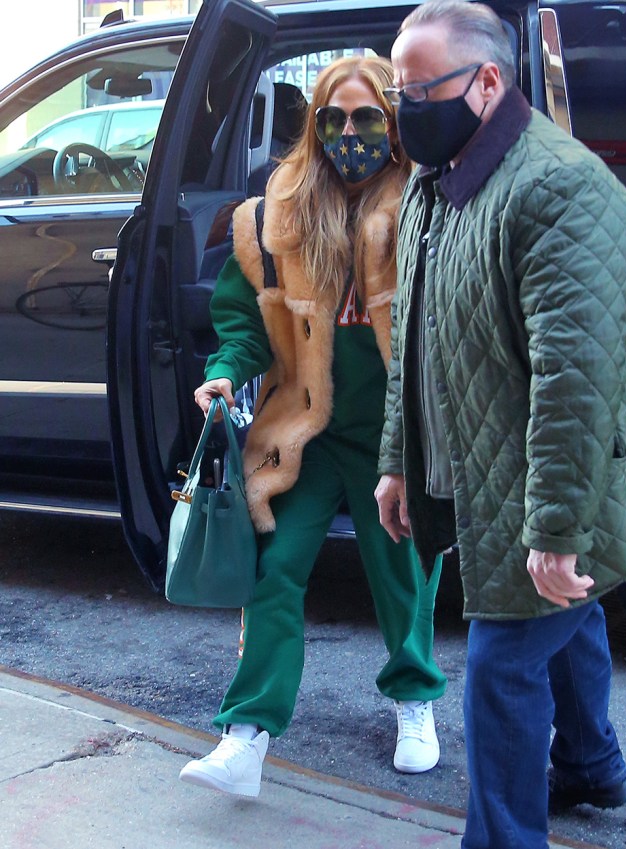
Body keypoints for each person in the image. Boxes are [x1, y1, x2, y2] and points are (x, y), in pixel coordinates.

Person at [374, 2, 626, 847]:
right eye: (398, 89)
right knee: (572, 614)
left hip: (560, 475)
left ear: (489, 81)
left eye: (417, 89)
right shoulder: (436, 181)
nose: (404, 110)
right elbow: (416, 335)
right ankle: (592, 764)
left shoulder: (561, 188)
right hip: (493, 462)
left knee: (504, 669)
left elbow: (572, 381)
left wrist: (554, 528)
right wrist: (397, 459)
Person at [179, 55, 447, 799]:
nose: (350, 134)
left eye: (367, 118)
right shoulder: (278, 216)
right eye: (334, 119)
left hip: (392, 430)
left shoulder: (424, 205)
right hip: (305, 424)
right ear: (315, 125)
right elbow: (243, 318)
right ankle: (247, 734)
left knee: (403, 573)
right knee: (275, 568)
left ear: (391, 125)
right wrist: (228, 369)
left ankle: (415, 698)